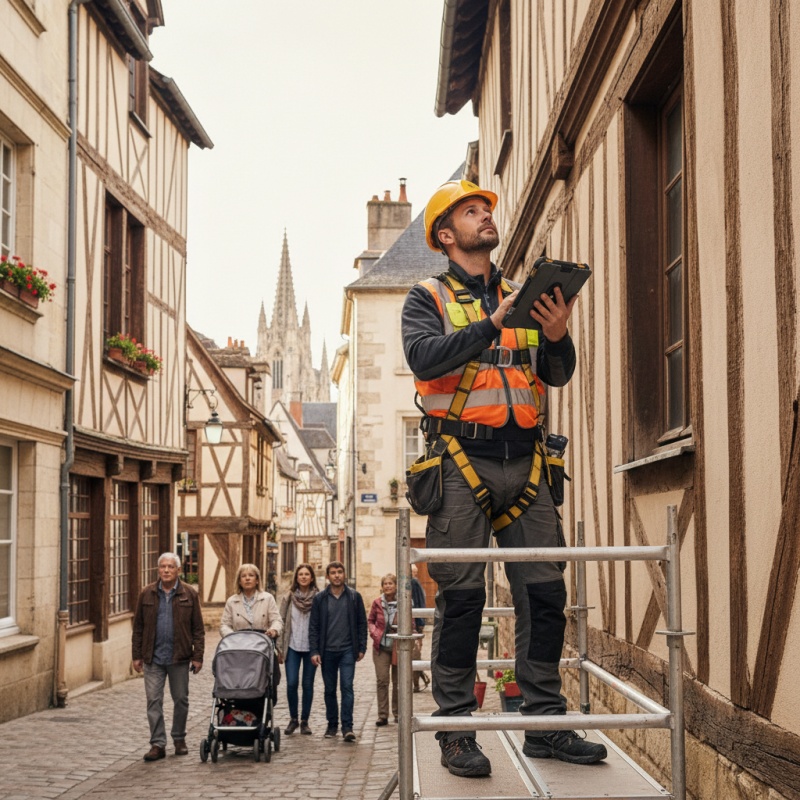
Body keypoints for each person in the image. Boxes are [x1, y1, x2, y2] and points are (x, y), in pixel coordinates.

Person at [401, 180, 607, 778]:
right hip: (462, 461)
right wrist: (493, 323)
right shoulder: (427, 296)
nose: (485, 216)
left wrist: (558, 332)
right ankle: (457, 732)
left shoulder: (525, 295)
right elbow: (424, 359)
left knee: (545, 596)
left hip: (530, 462)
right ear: (446, 234)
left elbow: (556, 375)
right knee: (462, 599)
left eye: (487, 209)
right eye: (472, 211)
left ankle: (544, 724)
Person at [132, 552, 205, 761]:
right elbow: (138, 627)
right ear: (158, 570)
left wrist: (197, 656)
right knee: (153, 700)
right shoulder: (146, 594)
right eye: (162, 567)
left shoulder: (189, 594)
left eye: (170, 567)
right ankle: (157, 744)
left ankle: (179, 738)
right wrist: (137, 655)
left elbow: (198, 629)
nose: (166, 570)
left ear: (178, 570)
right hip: (153, 657)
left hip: (179, 657)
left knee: (181, 699)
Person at [309, 561, 367, 743]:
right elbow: (314, 627)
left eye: (339, 572)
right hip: (327, 651)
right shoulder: (320, 599)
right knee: (329, 689)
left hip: (348, 650)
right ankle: (332, 724)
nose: (336, 575)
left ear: (344, 574)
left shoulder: (354, 597)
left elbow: (361, 623)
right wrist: (314, 650)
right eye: (333, 572)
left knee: (347, 687)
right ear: (328, 576)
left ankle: (347, 727)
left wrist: (362, 647)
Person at [278, 563, 319, 735]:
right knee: (292, 683)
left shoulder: (319, 598)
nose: (303, 577)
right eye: (300, 574)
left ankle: (304, 721)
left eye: (306, 574)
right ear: (296, 577)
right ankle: (293, 718)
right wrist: (279, 647)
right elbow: (280, 621)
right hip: (292, 645)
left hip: (311, 647)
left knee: (307, 684)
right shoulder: (288, 597)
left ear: (311, 578)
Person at [220, 563, 282, 640]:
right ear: (239, 581)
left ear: (257, 580)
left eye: (251, 575)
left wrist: (273, 630)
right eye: (243, 576)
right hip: (238, 644)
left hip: (262, 644)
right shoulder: (231, 601)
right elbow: (225, 625)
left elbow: (276, 620)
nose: (247, 578)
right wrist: (232, 636)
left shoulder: (268, 598)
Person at [368, 573, 399, 726]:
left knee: (398, 682)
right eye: (385, 583)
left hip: (398, 646)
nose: (387, 586)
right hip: (381, 647)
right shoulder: (377, 602)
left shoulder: (404, 602)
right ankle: (383, 715)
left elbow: (411, 622)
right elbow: (371, 620)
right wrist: (374, 633)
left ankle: (398, 713)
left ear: (396, 586)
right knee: (382, 681)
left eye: (390, 583)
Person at [410, 564, 430, 692]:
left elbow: (418, 603)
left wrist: (420, 623)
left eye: (415, 572)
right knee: (414, 655)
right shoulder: (414, 582)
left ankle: (417, 682)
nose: (415, 574)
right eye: (414, 572)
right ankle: (421, 677)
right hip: (416, 623)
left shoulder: (413, 583)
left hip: (415, 624)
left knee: (414, 655)